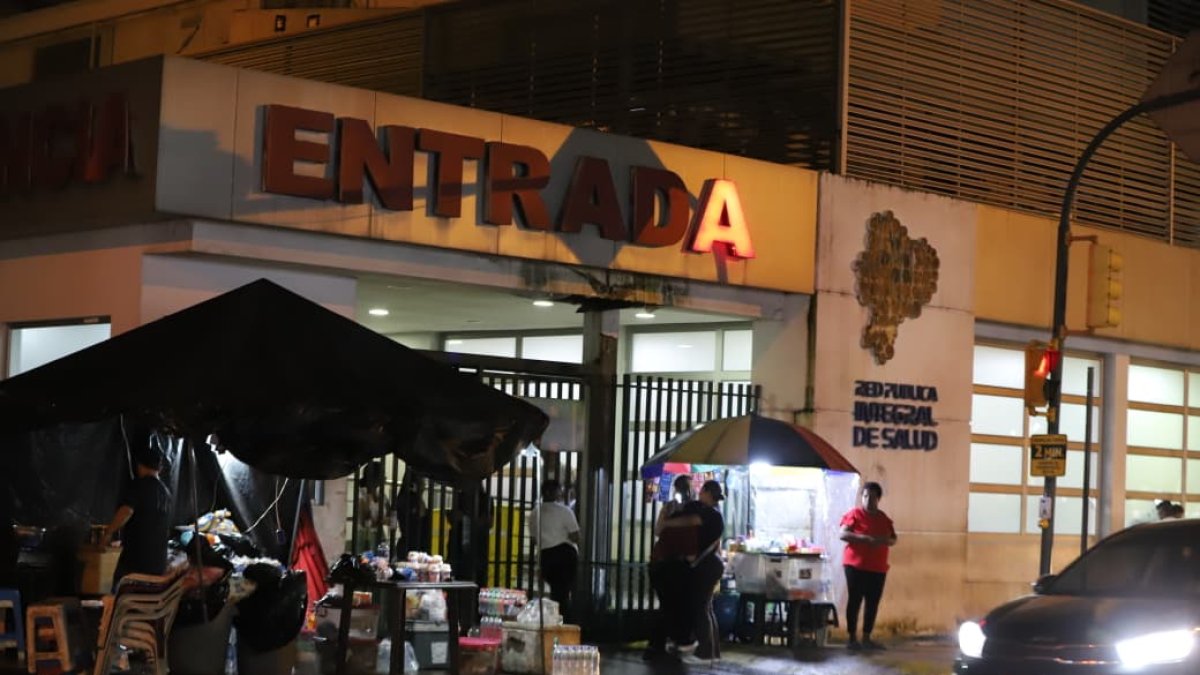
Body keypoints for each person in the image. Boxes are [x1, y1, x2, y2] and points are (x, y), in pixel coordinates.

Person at [101, 442, 172, 586]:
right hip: (158, 561)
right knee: (146, 598)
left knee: (121, 589)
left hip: (137, 558)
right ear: (160, 468)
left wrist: (108, 533)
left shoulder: (139, 485)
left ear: (139, 465)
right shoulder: (165, 492)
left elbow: (126, 511)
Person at [670, 479, 725, 664]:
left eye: (702, 491)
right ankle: (712, 651)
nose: (699, 494)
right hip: (712, 564)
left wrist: (669, 520)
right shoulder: (714, 513)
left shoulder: (712, 514)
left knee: (701, 607)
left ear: (709, 493)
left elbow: (693, 519)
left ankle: (705, 651)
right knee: (706, 607)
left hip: (707, 565)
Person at [839, 481, 897, 652]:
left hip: (877, 568)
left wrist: (885, 541)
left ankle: (866, 637)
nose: (868, 500)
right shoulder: (855, 515)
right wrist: (864, 538)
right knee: (855, 601)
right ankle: (852, 638)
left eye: (872, 497)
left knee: (872, 603)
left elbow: (894, 538)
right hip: (855, 566)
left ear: (878, 499)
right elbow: (842, 533)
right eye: (865, 496)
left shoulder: (883, 518)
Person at [644, 475, 696, 662]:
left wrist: (666, 518)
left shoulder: (669, 508)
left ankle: (662, 644)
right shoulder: (692, 513)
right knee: (672, 606)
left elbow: (658, 531)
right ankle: (659, 645)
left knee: (669, 605)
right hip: (673, 565)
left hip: (660, 562)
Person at [528, 479, 580, 621]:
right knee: (562, 593)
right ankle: (564, 621)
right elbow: (576, 536)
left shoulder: (534, 513)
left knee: (557, 592)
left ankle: (557, 619)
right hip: (565, 556)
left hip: (545, 556)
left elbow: (534, 539)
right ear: (556, 492)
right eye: (560, 490)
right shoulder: (565, 511)